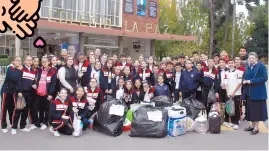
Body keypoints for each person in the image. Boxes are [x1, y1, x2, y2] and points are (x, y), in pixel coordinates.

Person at [242, 52, 268, 135]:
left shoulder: (261, 66)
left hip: (258, 93)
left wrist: (251, 81)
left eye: (253, 58)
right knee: (251, 110)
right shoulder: (248, 67)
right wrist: (244, 80)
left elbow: (264, 78)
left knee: (257, 111)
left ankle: (256, 128)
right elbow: (244, 76)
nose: (251, 59)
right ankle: (252, 126)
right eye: (250, 58)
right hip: (249, 93)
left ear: (256, 59)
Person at [29, 56, 57, 130]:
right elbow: (34, 76)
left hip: (47, 94)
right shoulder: (39, 70)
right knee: (35, 108)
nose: (44, 63)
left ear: (48, 62)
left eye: (45, 61)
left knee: (46, 110)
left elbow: (53, 83)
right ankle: (37, 123)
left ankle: (45, 123)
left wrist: (51, 94)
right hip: (38, 93)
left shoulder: (53, 71)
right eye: (42, 61)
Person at [11, 55, 36, 134]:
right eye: (27, 60)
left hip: (29, 93)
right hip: (21, 93)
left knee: (25, 110)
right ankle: (14, 127)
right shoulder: (21, 69)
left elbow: (33, 81)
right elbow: (18, 81)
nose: (29, 61)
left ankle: (22, 126)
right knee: (18, 110)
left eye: (30, 60)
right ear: (24, 61)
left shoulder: (33, 71)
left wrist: (35, 84)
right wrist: (19, 91)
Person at [1, 56, 22, 134]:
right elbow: (15, 78)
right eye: (17, 60)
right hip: (6, 91)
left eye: (20, 61)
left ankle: (12, 124)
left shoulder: (18, 69)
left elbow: (19, 81)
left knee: (11, 108)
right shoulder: (10, 68)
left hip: (13, 92)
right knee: (4, 109)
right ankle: (3, 126)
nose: (19, 62)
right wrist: (19, 70)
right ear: (13, 61)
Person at [223, 59, 243, 130]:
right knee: (228, 107)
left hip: (236, 93)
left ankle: (236, 122)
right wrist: (228, 92)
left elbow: (239, 83)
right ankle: (229, 121)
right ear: (227, 64)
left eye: (232, 63)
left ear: (234, 64)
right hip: (228, 93)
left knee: (236, 108)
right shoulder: (226, 72)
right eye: (229, 63)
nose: (230, 64)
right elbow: (225, 83)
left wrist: (234, 92)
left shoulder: (239, 72)